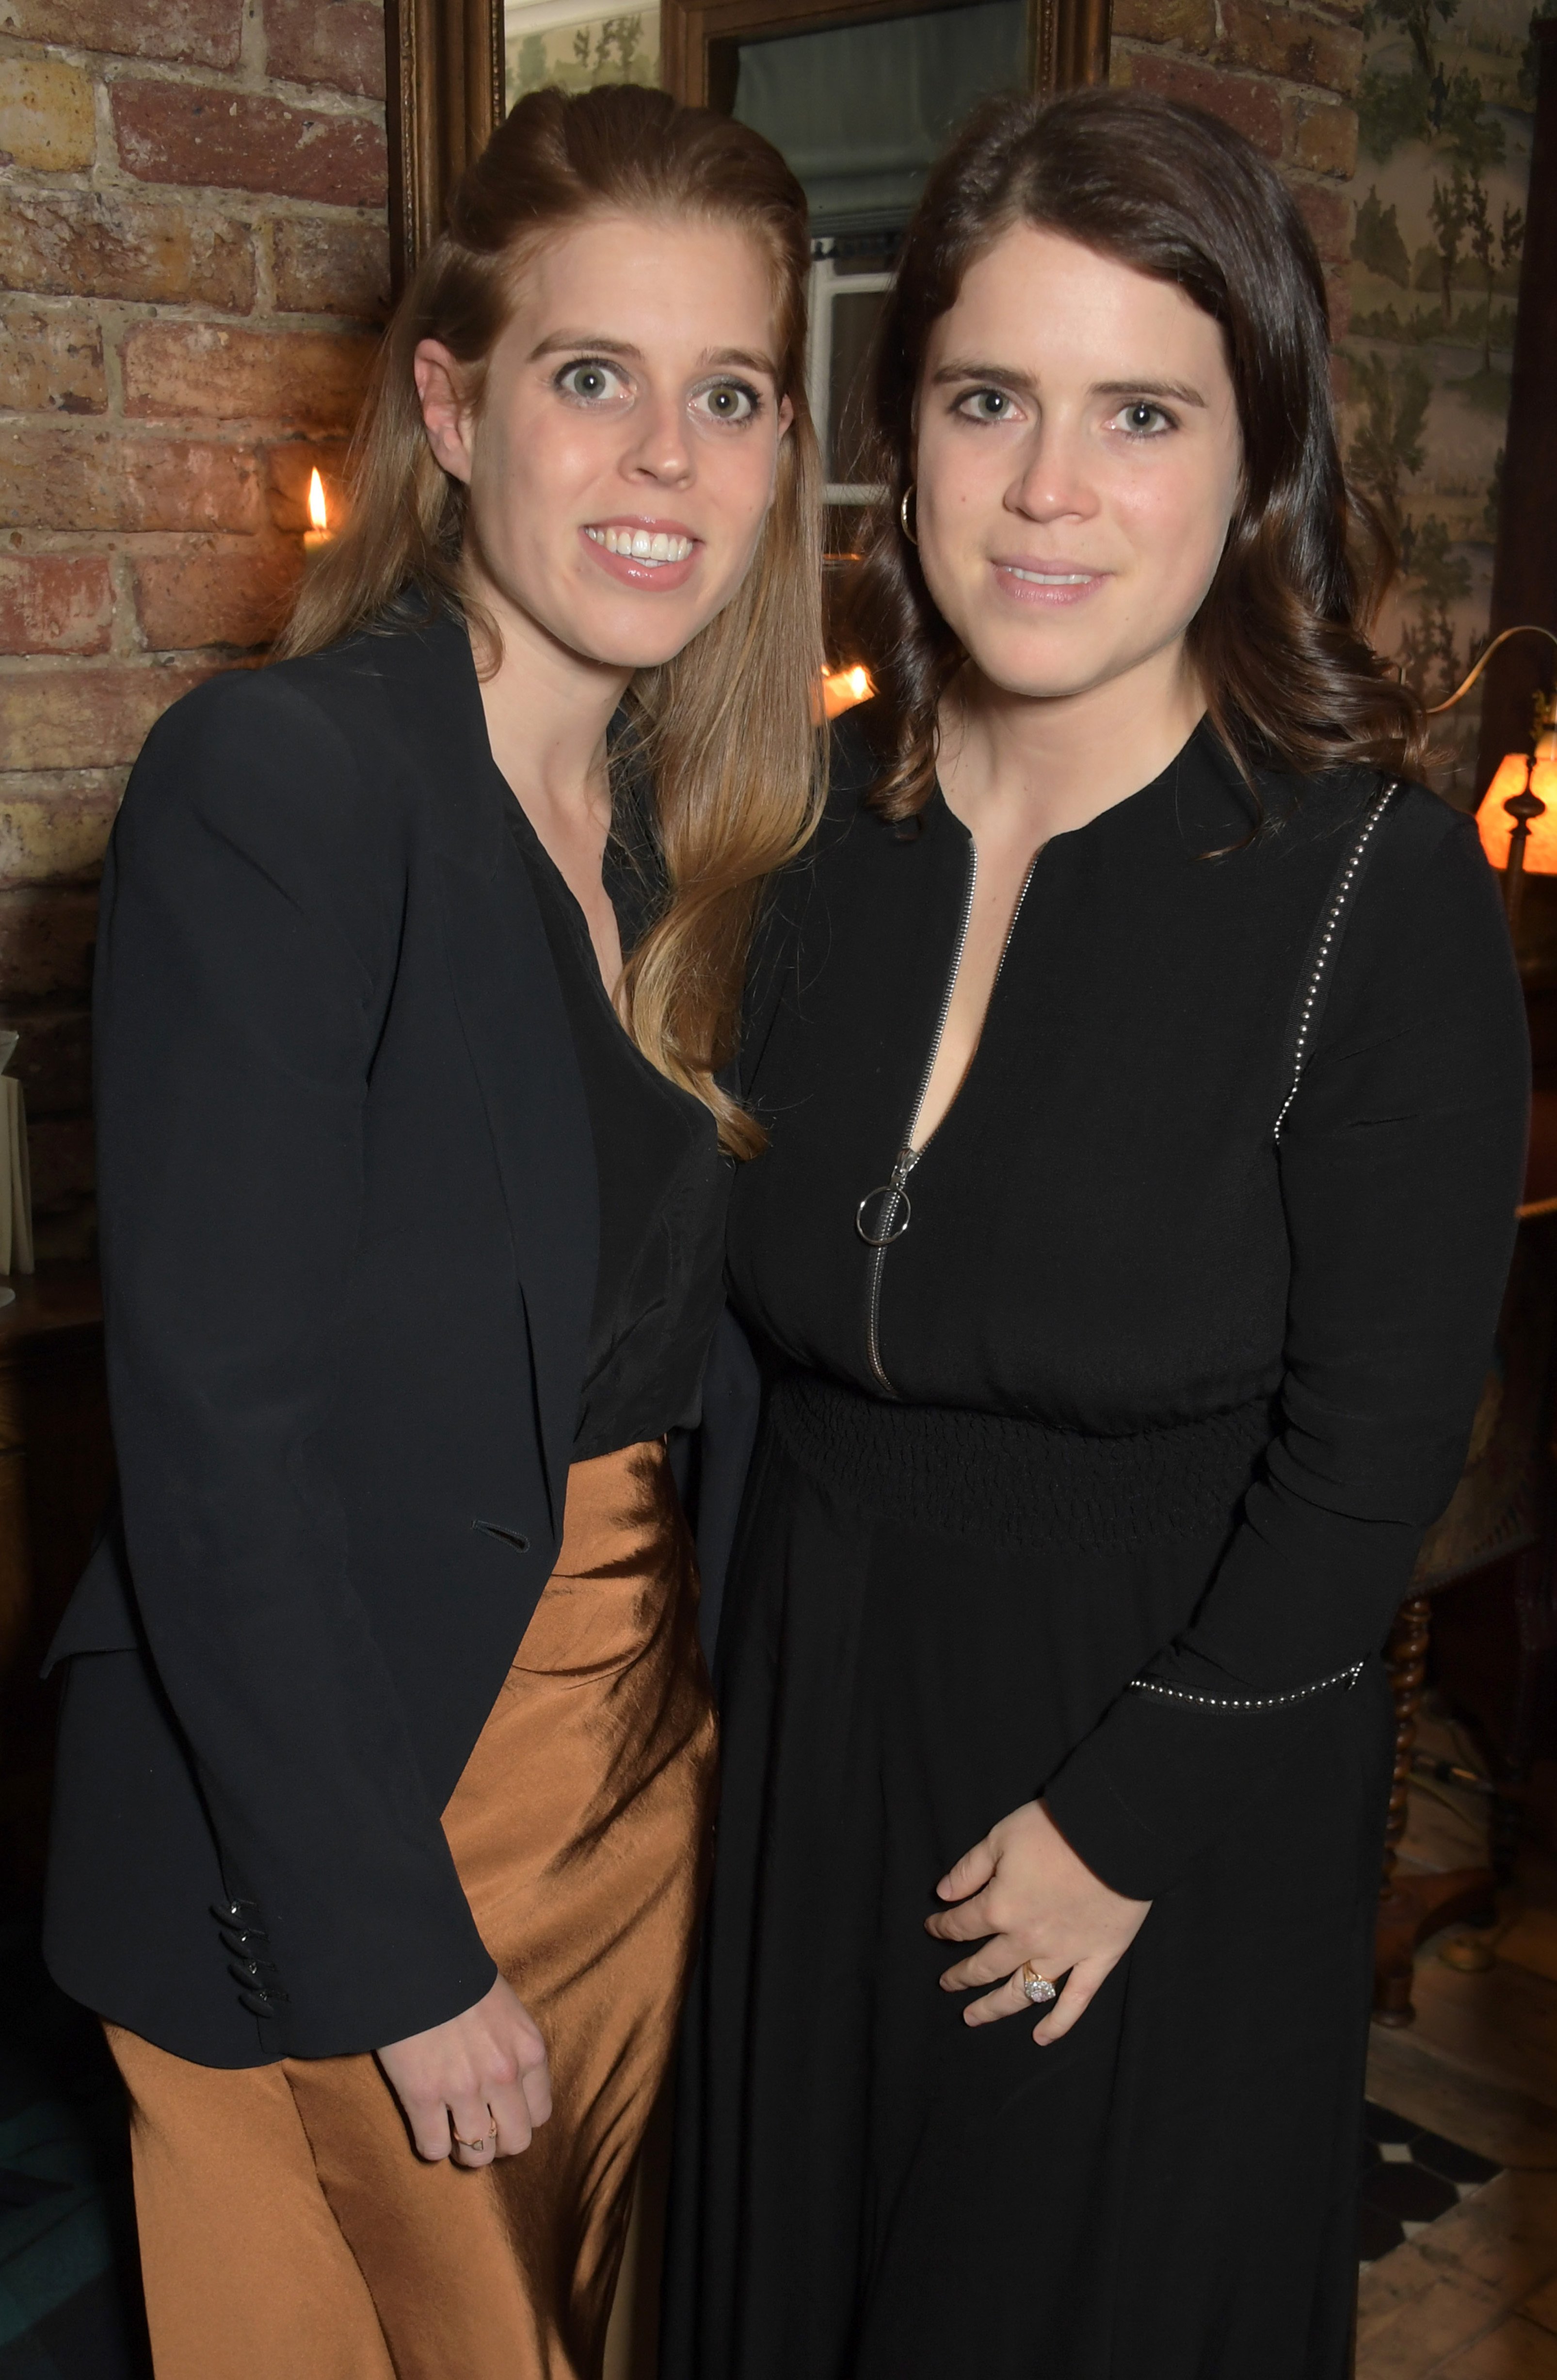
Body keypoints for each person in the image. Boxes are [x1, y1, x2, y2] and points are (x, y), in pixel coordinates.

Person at [664, 87, 1528, 2379]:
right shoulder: (804, 832)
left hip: (1152, 1771)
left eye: (1135, 411)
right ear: (902, 440)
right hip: (819, 1728)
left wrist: (1122, 1819)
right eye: (987, 401)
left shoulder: (1361, 886)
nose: (1046, 489)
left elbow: (1377, 1443)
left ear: (1250, 462)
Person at [41, 83, 821, 2380]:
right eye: (594, 380)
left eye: (730, 394)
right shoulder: (283, 787)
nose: (663, 461)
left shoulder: (715, 829)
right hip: (346, 1823)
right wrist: (394, 1951)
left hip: (627, 1786)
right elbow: (216, 1446)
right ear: (453, 410)